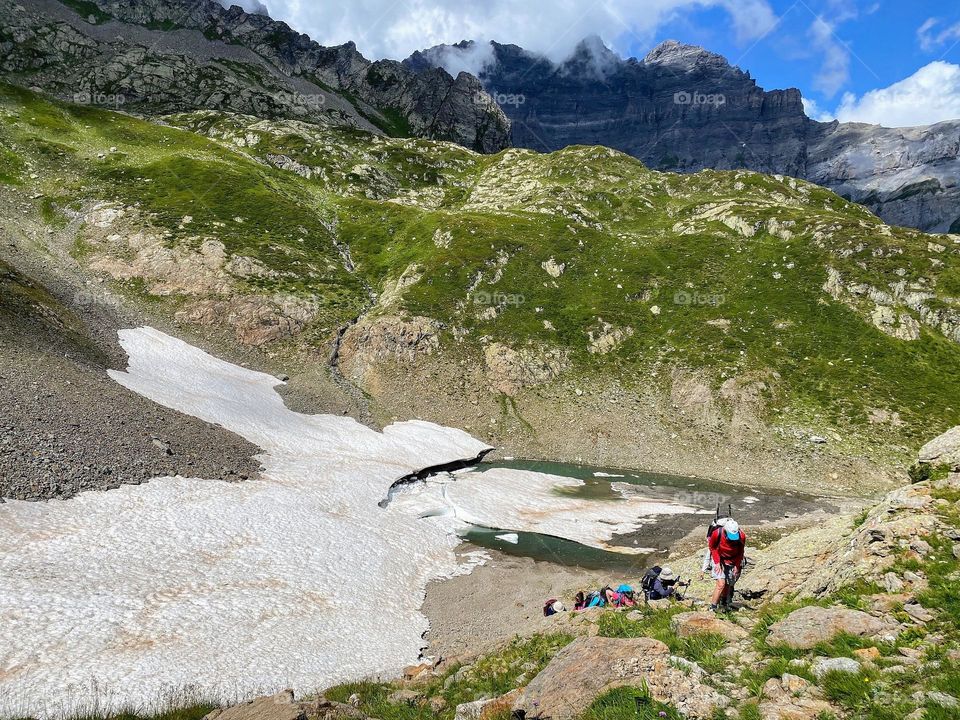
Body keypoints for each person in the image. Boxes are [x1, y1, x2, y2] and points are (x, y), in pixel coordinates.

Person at [707, 519, 746, 612]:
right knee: (721, 583)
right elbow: (713, 548)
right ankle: (713, 607)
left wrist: (737, 565)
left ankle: (724, 603)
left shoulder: (741, 536)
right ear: (725, 530)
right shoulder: (717, 534)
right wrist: (717, 563)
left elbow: (741, 551)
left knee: (728, 583)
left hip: (732, 560)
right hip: (719, 559)